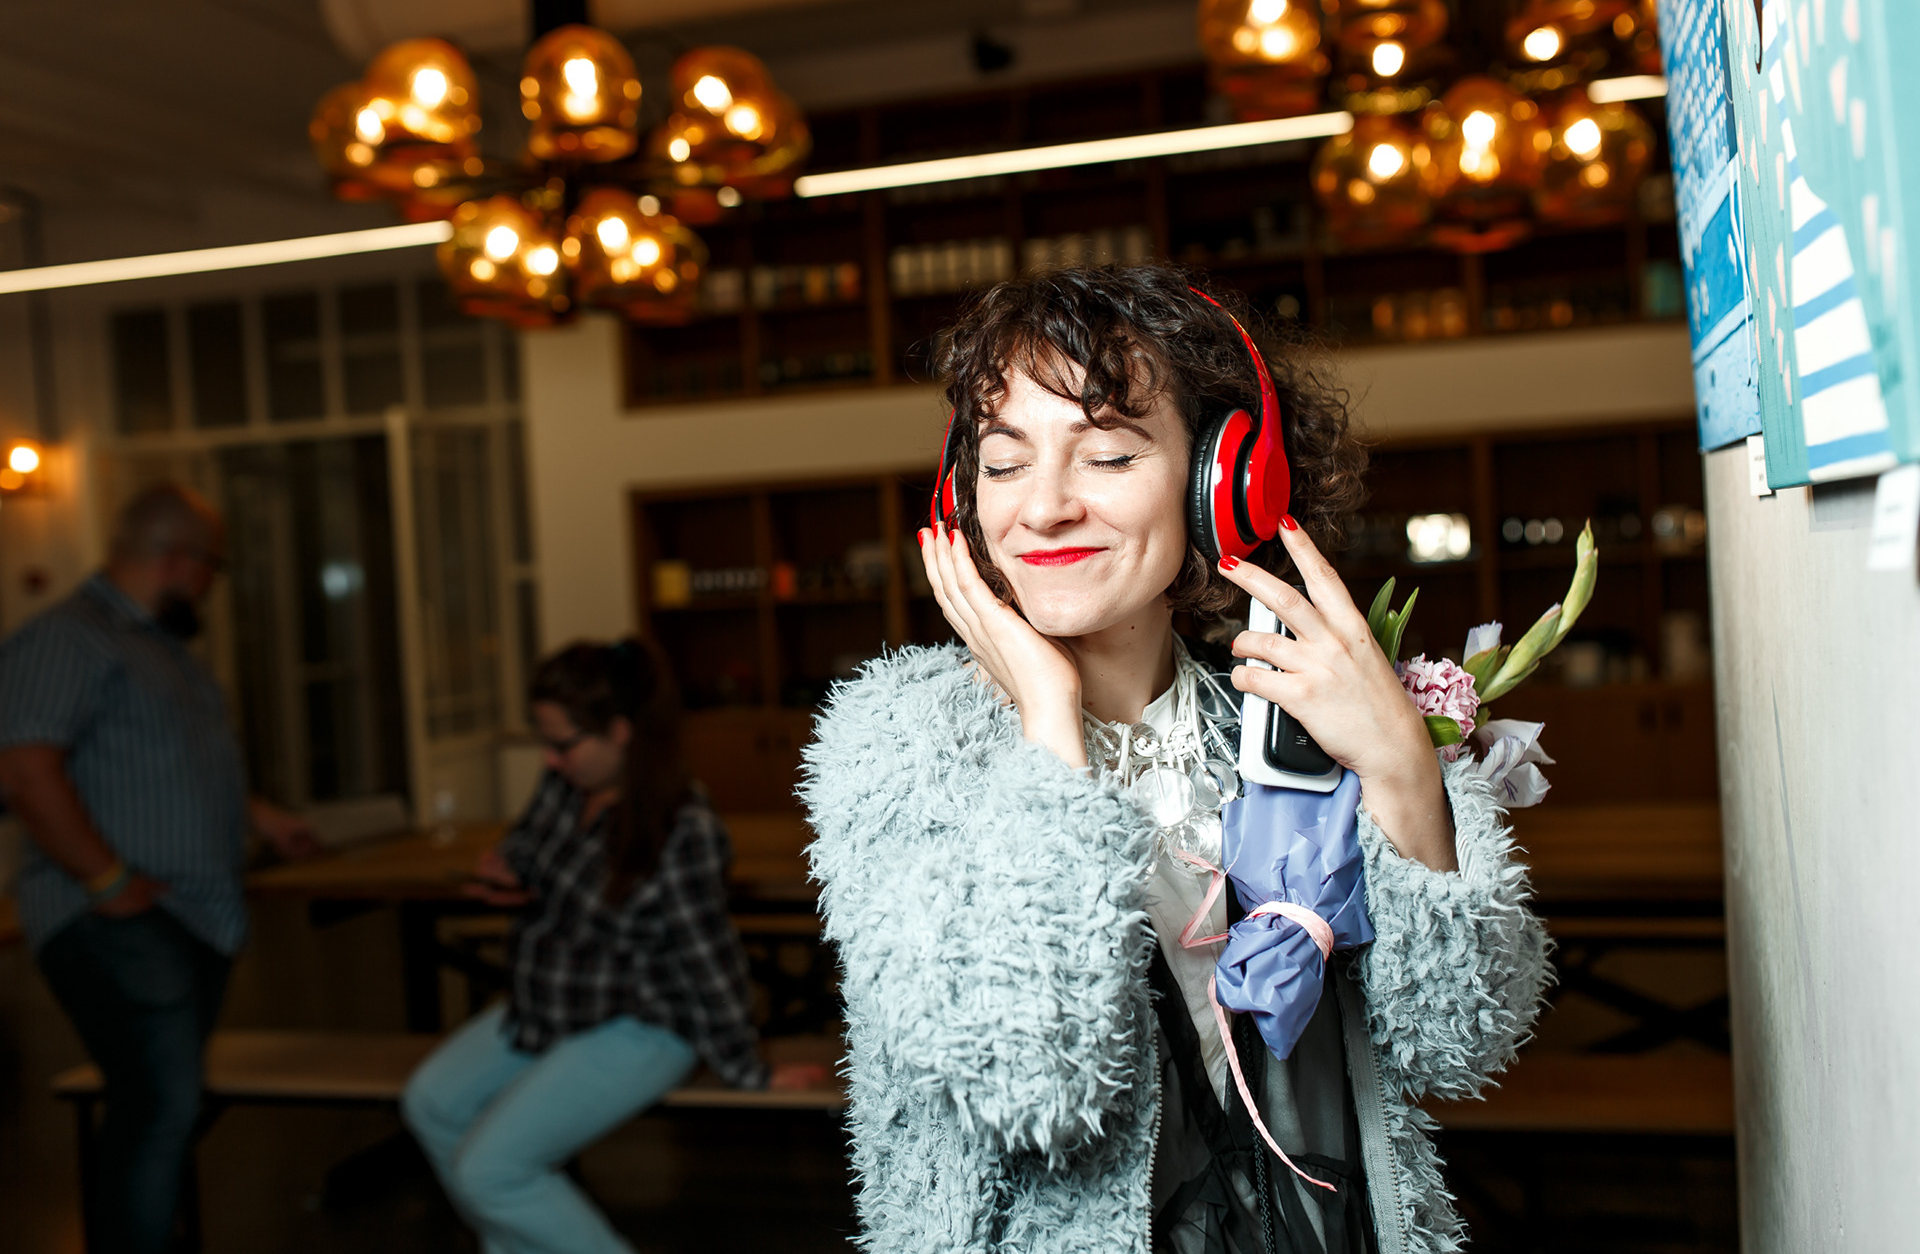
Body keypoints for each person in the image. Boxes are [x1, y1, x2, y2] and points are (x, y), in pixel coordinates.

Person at [802, 267, 1552, 1253]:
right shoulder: (900, 745)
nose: (1044, 507)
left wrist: (1402, 768)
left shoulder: (1283, 719)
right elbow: (1033, 1083)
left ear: (1222, 481)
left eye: (1108, 454)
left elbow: (1458, 1041)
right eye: (1005, 462)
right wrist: (1049, 725)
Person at [403, 638, 809, 1254]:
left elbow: (710, 960)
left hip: (643, 1022)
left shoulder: (682, 828)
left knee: (491, 1171)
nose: (550, 759)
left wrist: (749, 1070)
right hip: (555, 1005)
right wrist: (510, 869)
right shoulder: (567, 785)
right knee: (431, 1102)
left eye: (563, 744)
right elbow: (528, 843)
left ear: (621, 733)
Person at [0, 482, 318, 1254]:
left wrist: (260, 816)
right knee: (161, 1103)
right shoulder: (69, 638)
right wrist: (106, 881)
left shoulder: (159, 648)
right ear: (176, 560)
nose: (211, 584)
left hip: (186, 915)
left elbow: (170, 762)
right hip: (114, 919)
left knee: (160, 1106)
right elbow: (24, 770)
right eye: (213, 567)